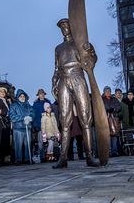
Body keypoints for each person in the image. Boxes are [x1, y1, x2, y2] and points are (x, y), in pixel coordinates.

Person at [51, 18, 99, 168]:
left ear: (71, 27)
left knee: (85, 117)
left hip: (78, 77)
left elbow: (91, 61)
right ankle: (63, 157)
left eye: (66, 26)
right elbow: (56, 68)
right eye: (61, 27)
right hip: (63, 80)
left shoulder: (79, 43)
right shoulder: (58, 48)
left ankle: (89, 155)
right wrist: (54, 82)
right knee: (64, 119)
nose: (64, 29)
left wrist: (90, 51)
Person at [9, 89, 35, 165]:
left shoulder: (28, 105)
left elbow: (33, 113)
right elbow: (12, 117)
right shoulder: (14, 105)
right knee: (18, 145)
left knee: (28, 145)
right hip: (18, 128)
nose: (22, 97)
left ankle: (28, 158)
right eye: (21, 96)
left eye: (24, 96)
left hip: (27, 127)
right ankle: (18, 159)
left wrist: (30, 118)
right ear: (18, 97)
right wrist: (23, 117)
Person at [33, 89, 51, 162]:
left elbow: (52, 113)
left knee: (50, 142)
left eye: (43, 93)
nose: (42, 95)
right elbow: (34, 115)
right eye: (40, 94)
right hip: (41, 126)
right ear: (38, 95)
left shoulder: (48, 102)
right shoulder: (36, 104)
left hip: (49, 126)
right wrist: (36, 126)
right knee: (41, 143)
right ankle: (42, 157)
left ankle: (50, 156)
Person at [102, 86, 121, 157]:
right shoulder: (101, 100)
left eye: (109, 91)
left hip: (114, 119)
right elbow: (100, 107)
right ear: (104, 92)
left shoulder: (114, 99)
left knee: (114, 135)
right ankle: (108, 152)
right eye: (106, 91)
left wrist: (113, 109)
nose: (108, 92)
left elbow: (119, 106)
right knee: (106, 136)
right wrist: (106, 110)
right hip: (105, 119)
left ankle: (114, 151)